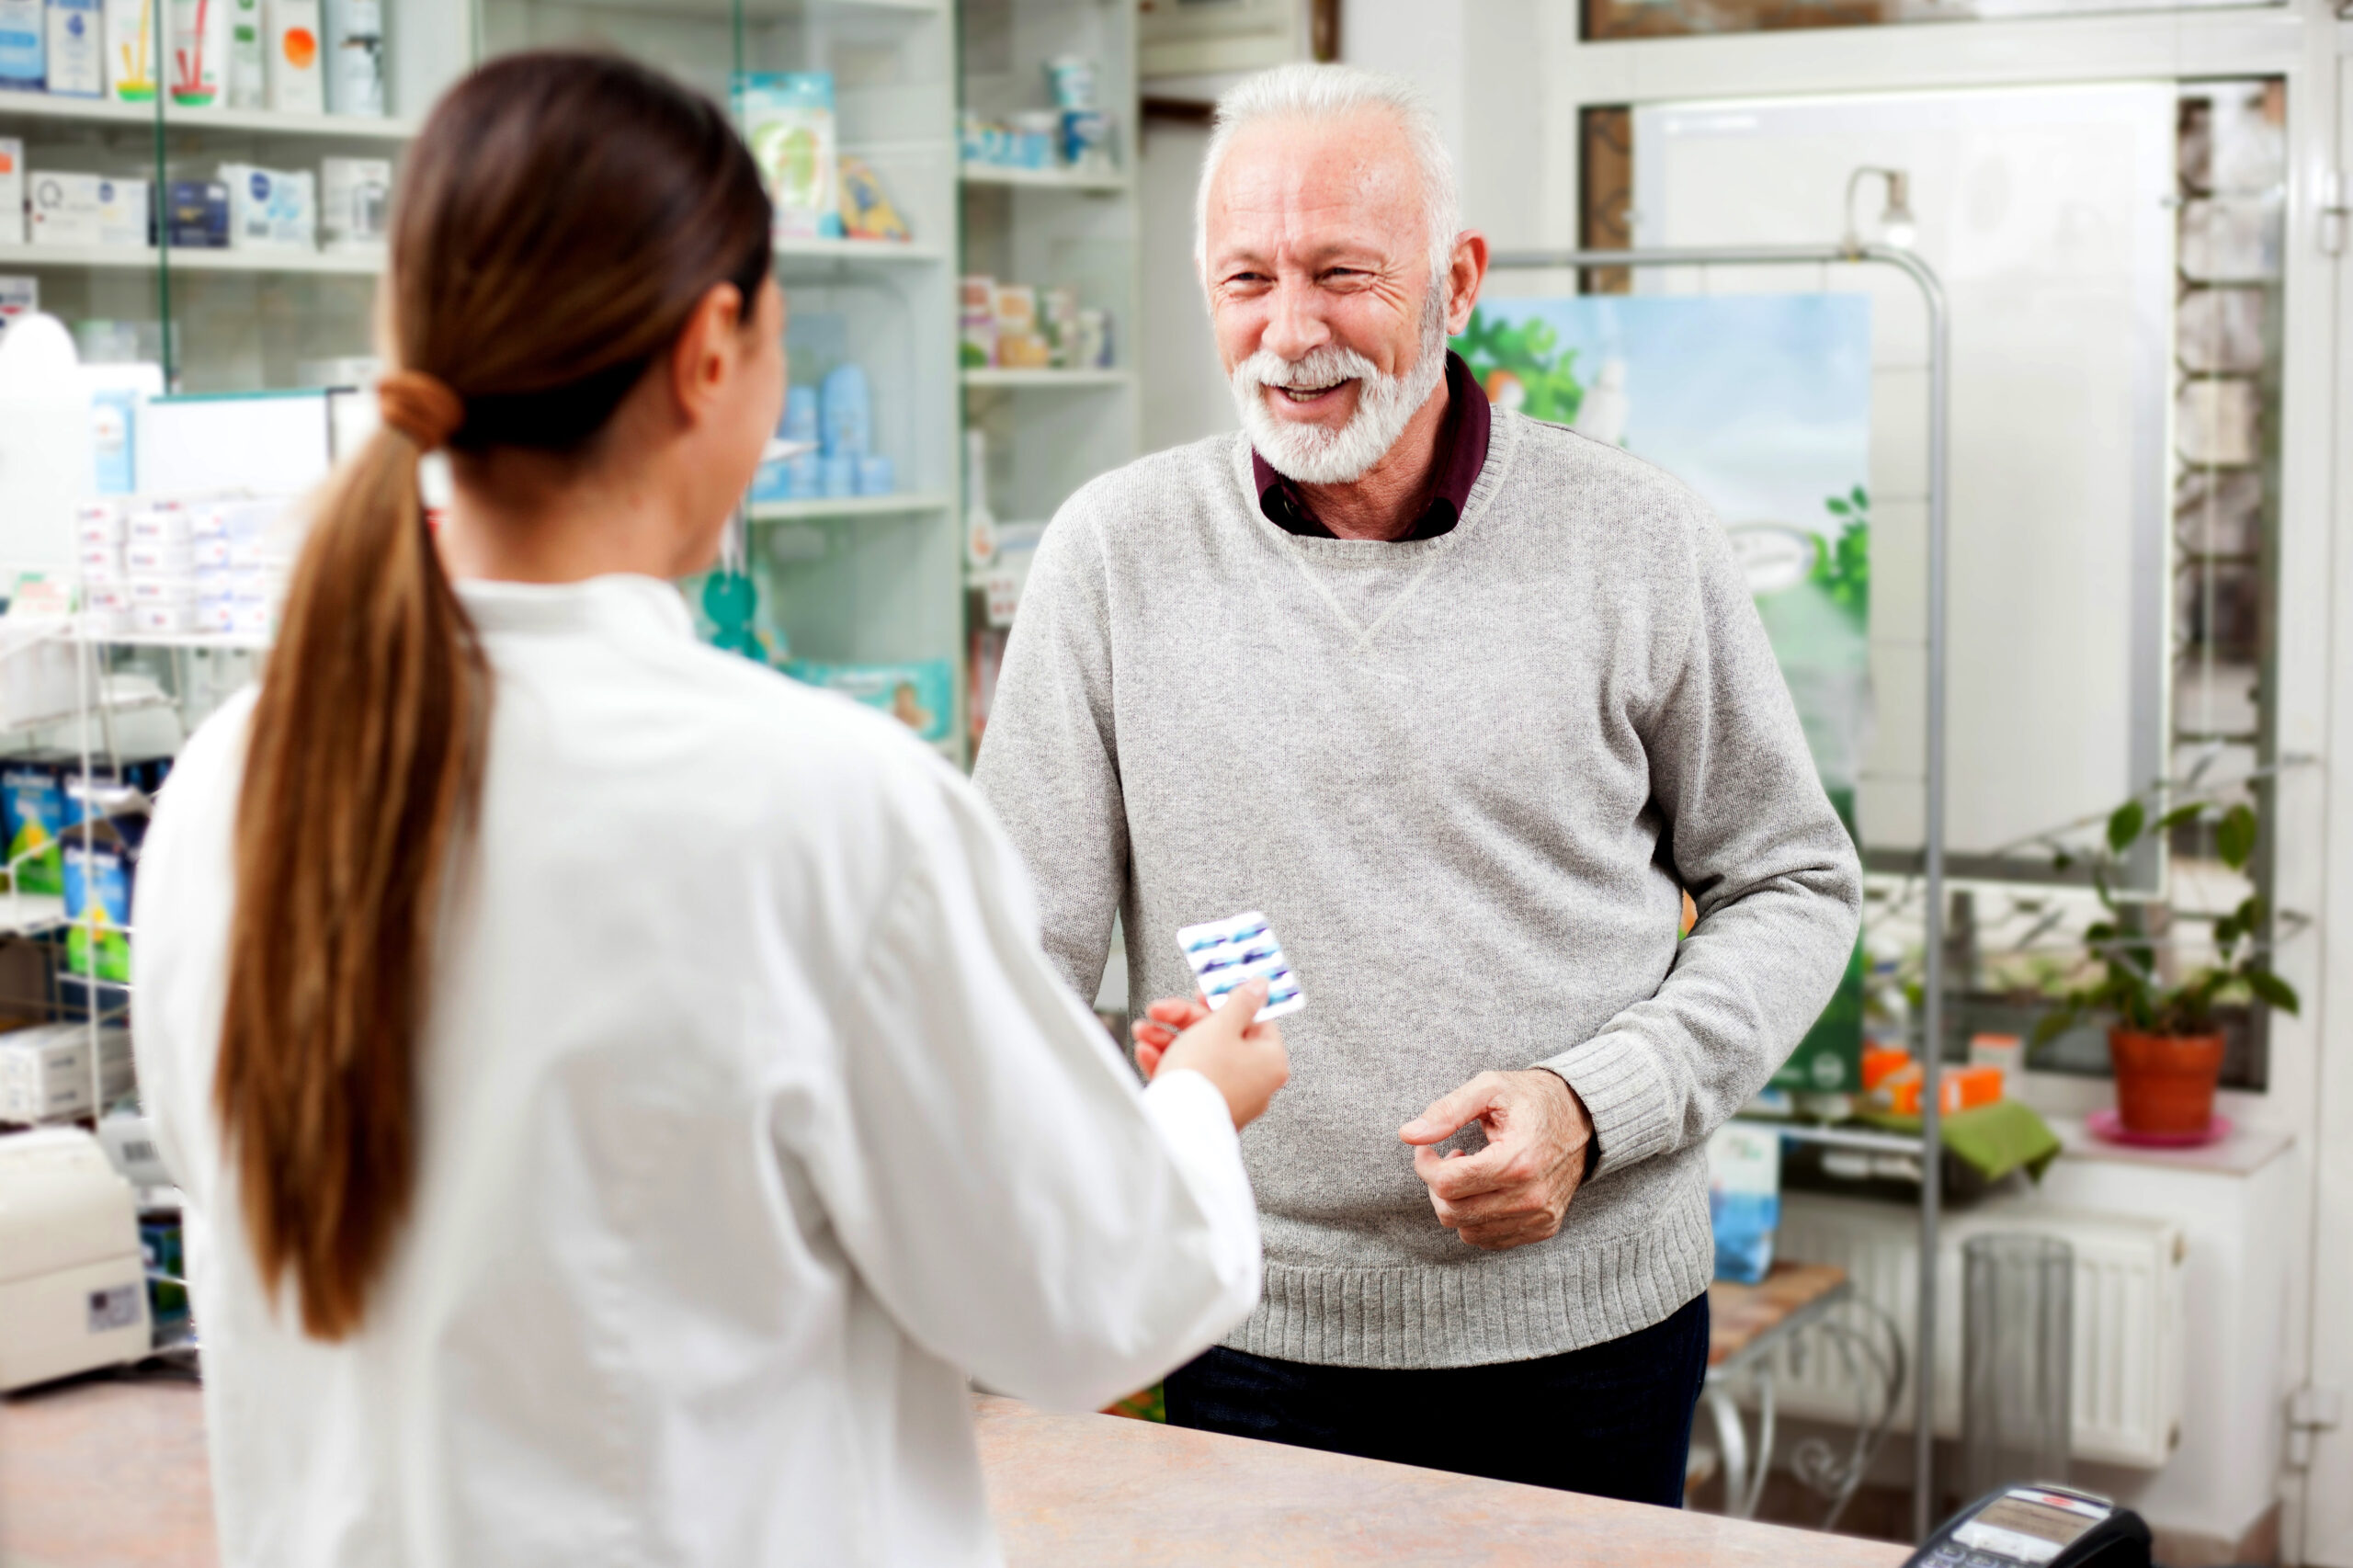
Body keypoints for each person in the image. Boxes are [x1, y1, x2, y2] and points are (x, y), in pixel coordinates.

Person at [130, 52, 1288, 1567]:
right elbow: (1087, 1304)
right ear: (710, 348)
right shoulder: (821, 810)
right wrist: (1198, 1098)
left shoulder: (232, 781)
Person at [971, 62, 1862, 1506]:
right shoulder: (1110, 556)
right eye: (1246, 278)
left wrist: (1593, 1101)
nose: (1291, 330)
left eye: (1341, 273)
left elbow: (1797, 882)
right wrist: (1136, 1138)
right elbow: (1011, 962)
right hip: (1242, 1329)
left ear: (1455, 279)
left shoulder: (1638, 539)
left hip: (1591, 1338)